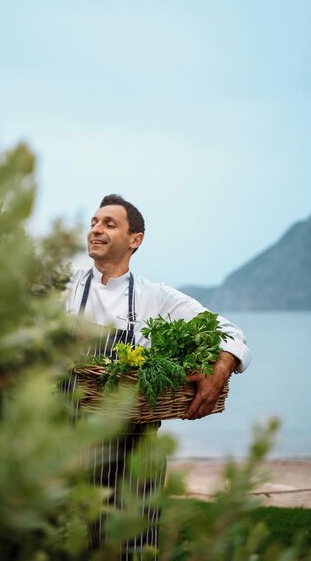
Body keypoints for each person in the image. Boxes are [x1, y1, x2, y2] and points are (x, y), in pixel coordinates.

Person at [64, 194, 251, 559]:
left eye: (109, 224)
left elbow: (230, 333)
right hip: (67, 450)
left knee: (132, 551)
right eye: (93, 223)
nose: (96, 229)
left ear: (135, 239)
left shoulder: (156, 298)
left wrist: (219, 370)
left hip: (134, 458)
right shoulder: (65, 286)